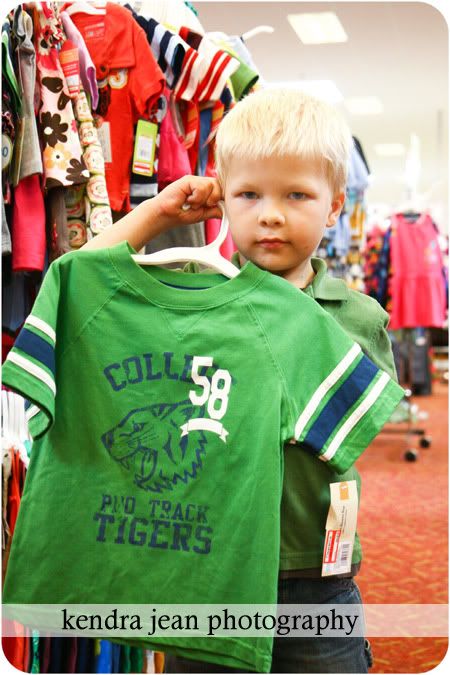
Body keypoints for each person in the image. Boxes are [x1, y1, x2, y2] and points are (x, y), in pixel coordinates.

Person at [82, 89, 397, 673]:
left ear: (335, 206)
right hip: (211, 571)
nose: (270, 214)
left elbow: (353, 434)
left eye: (296, 195)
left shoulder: (356, 318)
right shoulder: (191, 299)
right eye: (248, 194)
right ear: (222, 198)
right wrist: (158, 212)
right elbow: (79, 283)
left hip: (311, 575)